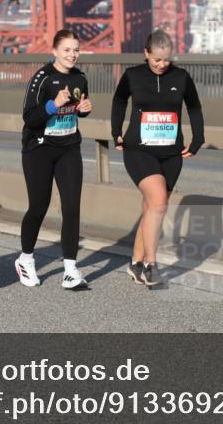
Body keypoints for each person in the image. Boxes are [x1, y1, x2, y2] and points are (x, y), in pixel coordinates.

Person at [111, 29, 204, 286]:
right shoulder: (133, 75)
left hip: (171, 153)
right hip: (138, 149)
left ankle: (136, 263)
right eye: (157, 60)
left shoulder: (181, 77)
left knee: (152, 207)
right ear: (146, 54)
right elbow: (119, 102)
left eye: (166, 60)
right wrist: (116, 132)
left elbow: (194, 107)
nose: (162, 65)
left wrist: (197, 139)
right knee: (159, 201)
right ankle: (152, 265)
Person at [14, 30, 92, 290]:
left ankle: (70, 270)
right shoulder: (42, 77)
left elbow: (79, 109)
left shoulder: (80, 77)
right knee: (39, 206)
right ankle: (26, 259)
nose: (72, 55)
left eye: (76, 50)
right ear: (55, 51)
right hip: (40, 148)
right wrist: (53, 104)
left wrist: (84, 111)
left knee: (72, 207)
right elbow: (29, 117)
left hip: (69, 147)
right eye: (67, 50)